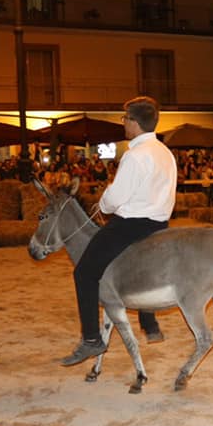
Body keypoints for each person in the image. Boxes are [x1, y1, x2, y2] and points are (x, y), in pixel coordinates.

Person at [60, 96, 177, 366]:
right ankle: (149, 322)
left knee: (84, 272)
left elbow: (115, 200)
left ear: (134, 123)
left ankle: (91, 339)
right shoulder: (165, 153)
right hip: (160, 223)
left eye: (125, 119)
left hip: (131, 224)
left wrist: (103, 201)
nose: (123, 123)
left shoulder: (135, 156)